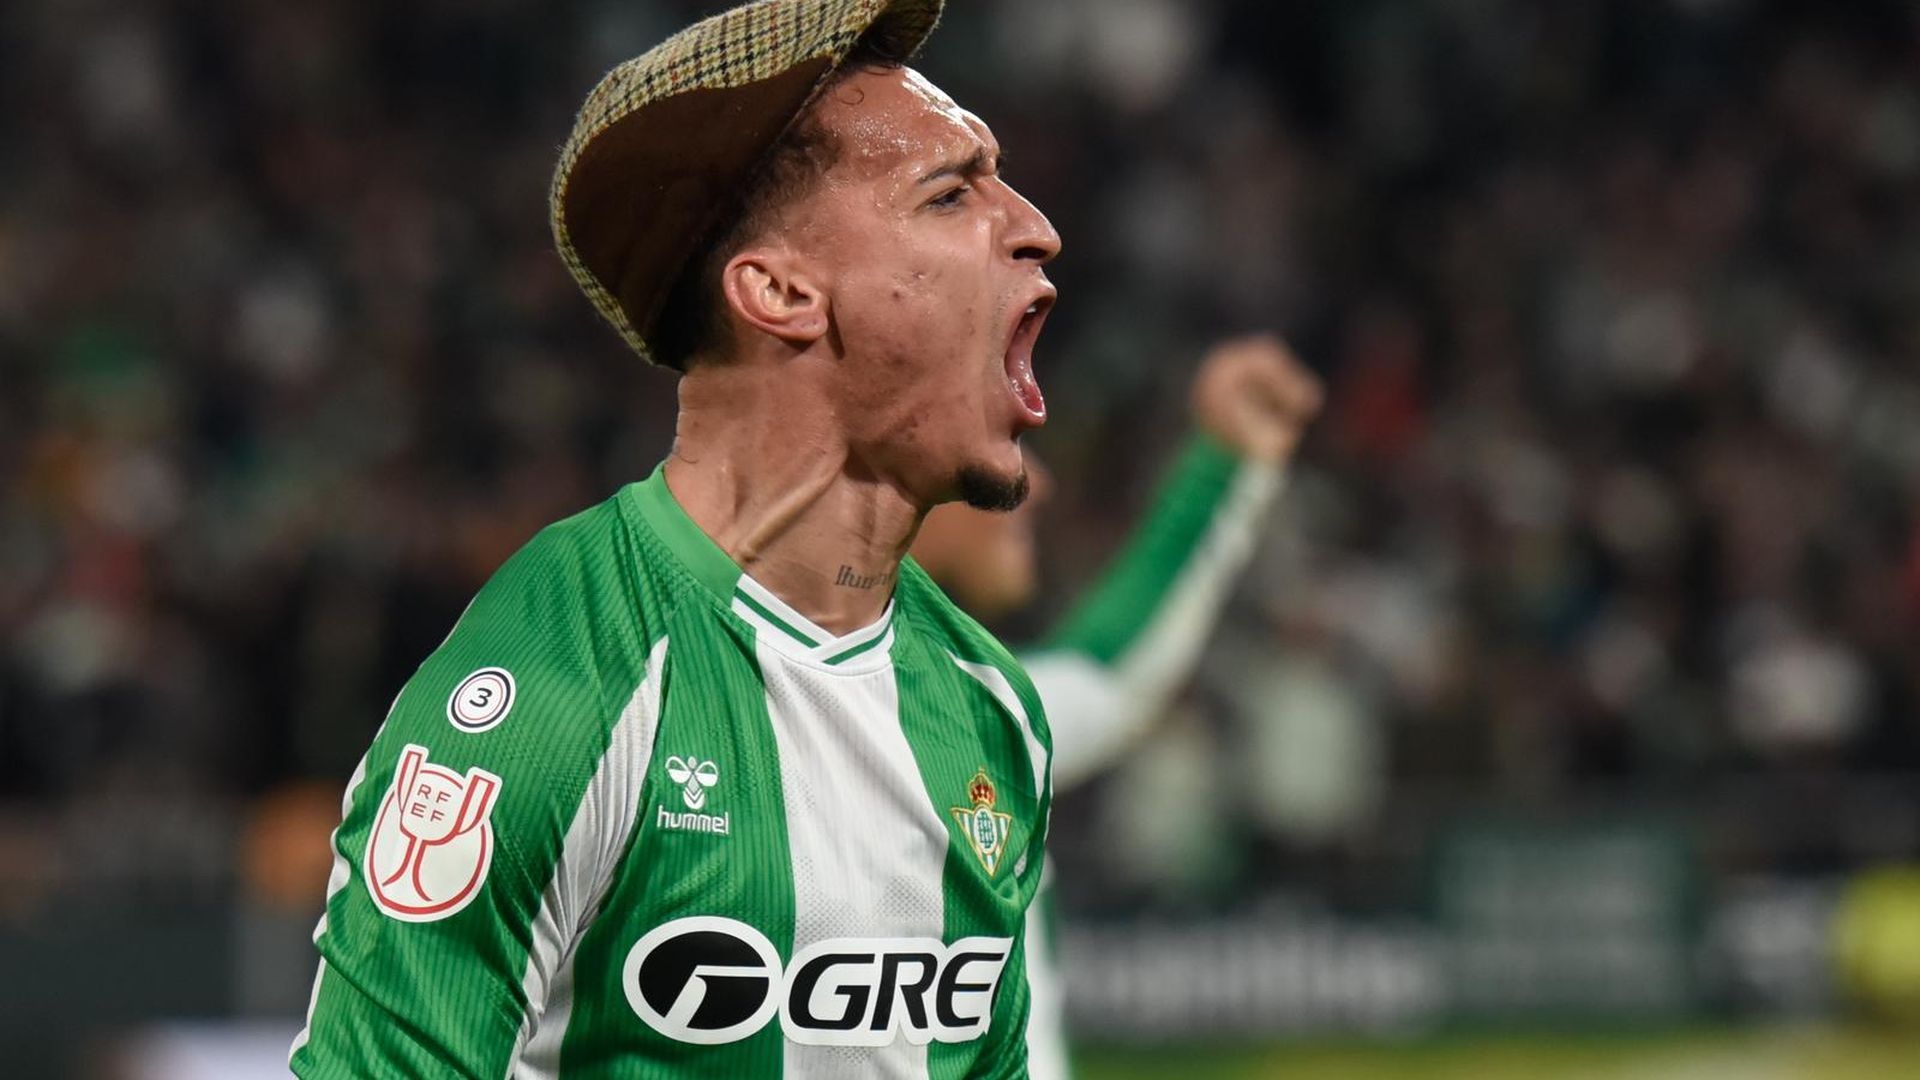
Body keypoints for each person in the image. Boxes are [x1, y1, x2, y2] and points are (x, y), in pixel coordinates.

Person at [291, 1, 1066, 1076]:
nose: (1036, 227)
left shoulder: (989, 708)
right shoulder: (562, 682)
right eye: (950, 193)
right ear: (780, 291)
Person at [911, 335, 1325, 1079]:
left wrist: (1225, 463)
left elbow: (1108, 668)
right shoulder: (773, 721)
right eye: (1004, 440)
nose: (1039, 483)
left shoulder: (975, 711)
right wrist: (1222, 465)